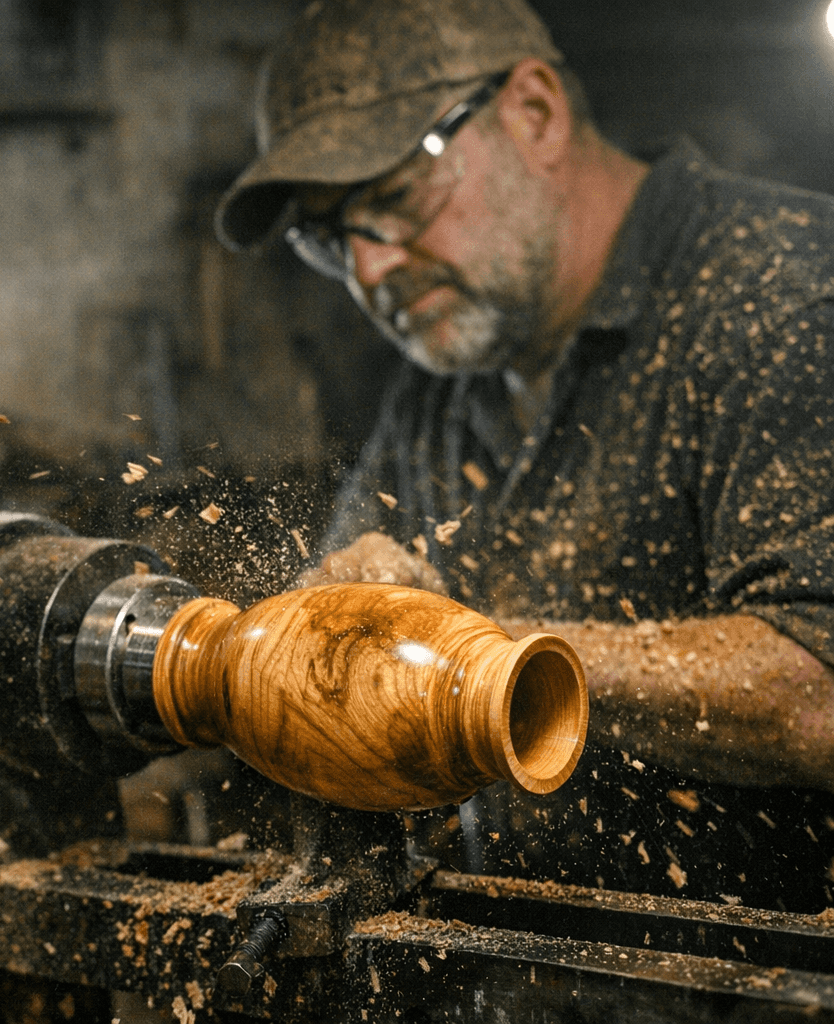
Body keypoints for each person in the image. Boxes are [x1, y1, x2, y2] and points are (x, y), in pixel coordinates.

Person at [213, 0, 834, 906]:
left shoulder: (783, 298)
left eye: (393, 198)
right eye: (330, 239)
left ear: (533, 113)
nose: (371, 270)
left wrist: (482, 660)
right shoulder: (445, 378)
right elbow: (348, 622)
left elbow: (818, 686)